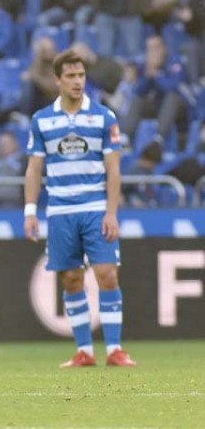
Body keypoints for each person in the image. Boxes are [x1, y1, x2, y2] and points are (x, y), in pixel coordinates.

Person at [24, 49, 137, 368]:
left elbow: (114, 169)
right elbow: (34, 169)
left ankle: (114, 349)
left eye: (81, 75)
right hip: (60, 211)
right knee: (71, 279)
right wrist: (30, 210)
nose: (77, 81)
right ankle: (84, 351)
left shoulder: (103, 117)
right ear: (58, 80)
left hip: (95, 208)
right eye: (71, 76)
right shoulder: (42, 120)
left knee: (107, 274)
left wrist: (111, 212)